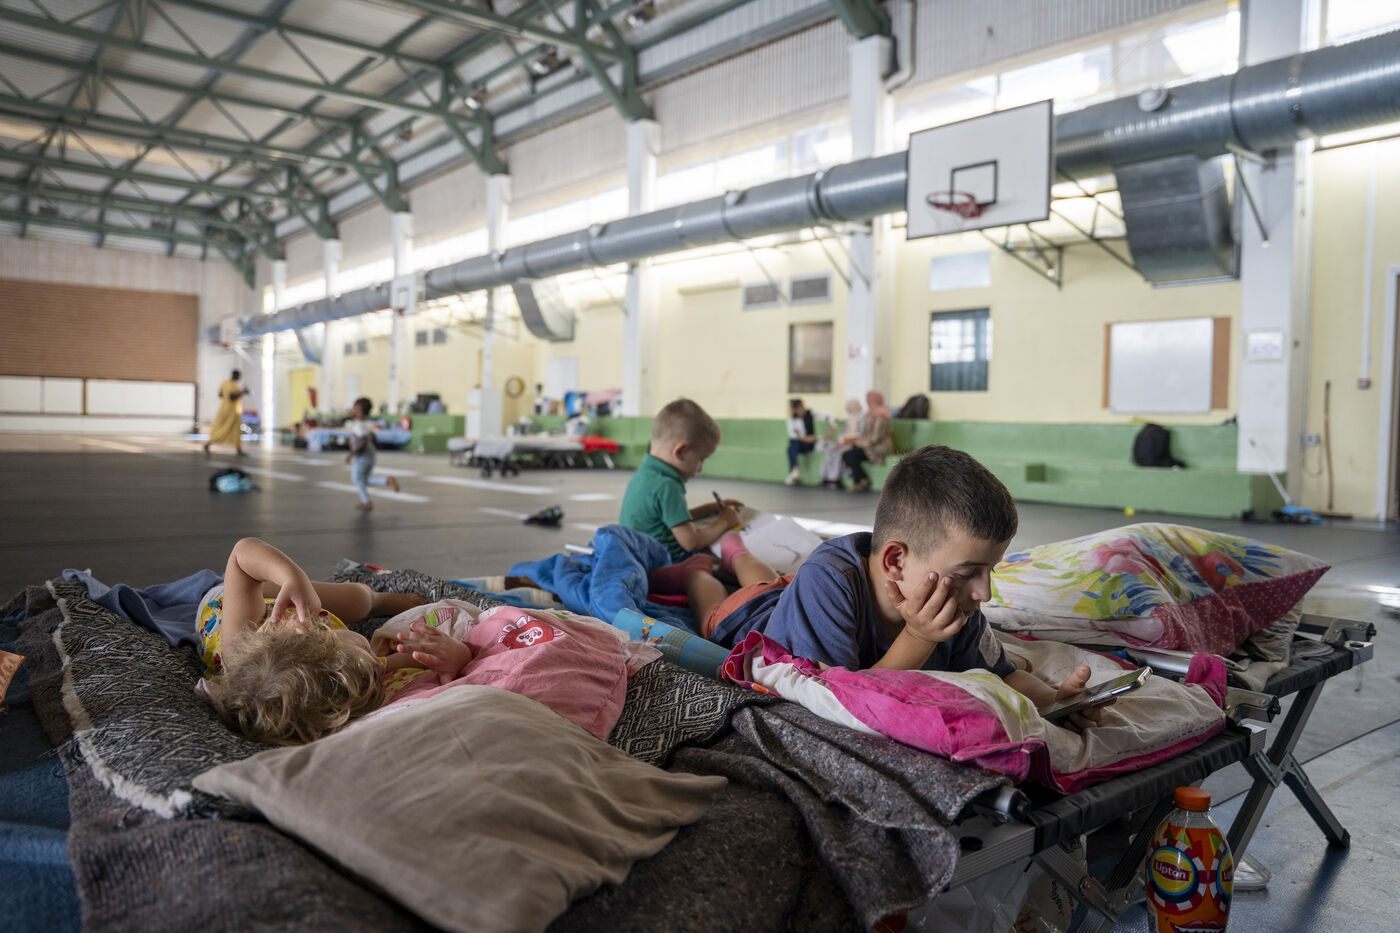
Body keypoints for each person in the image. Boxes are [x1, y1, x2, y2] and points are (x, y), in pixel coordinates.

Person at [704, 445, 1107, 730]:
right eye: (969, 572)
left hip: (796, 593)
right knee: (721, 595)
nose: (984, 593)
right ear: (895, 561)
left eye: (989, 571)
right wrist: (919, 637)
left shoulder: (957, 601)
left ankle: (736, 553)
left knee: (768, 577)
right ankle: (715, 559)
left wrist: (1054, 700)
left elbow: (1004, 676)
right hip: (750, 612)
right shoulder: (829, 580)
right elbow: (842, 702)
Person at [197, 537, 427, 744]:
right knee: (356, 603)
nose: (376, 659)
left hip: (229, 598)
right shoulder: (327, 684)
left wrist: (292, 577)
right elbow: (400, 661)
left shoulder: (239, 644)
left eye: (365, 651)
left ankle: (379, 600)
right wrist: (420, 654)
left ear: (309, 632)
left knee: (359, 599)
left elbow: (241, 554)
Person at [618, 398, 780, 628]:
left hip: (639, 561)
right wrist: (724, 521)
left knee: (708, 550)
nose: (701, 467)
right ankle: (717, 620)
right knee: (701, 560)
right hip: (658, 569)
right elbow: (690, 541)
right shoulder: (667, 485)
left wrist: (712, 508)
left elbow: (672, 518)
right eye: (701, 459)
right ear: (681, 451)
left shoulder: (646, 474)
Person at [346, 396, 400, 511]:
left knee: (356, 479)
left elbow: (364, 441)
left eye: (354, 407)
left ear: (359, 409)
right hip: (371, 455)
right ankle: (386, 480)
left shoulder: (359, 425)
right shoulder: (367, 423)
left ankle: (367, 501)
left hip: (362, 456)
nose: (352, 410)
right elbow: (374, 437)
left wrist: (352, 454)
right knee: (366, 479)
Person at [840, 389, 893, 492]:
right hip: (868, 445)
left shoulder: (882, 415)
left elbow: (877, 436)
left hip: (879, 447)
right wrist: (860, 441)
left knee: (850, 454)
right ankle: (862, 479)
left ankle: (860, 480)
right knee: (849, 453)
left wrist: (863, 443)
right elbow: (864, 432)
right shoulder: (869, 413)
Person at [820, 398, 864, 488]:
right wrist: (839, 443)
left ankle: (835, 479)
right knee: (829, 450)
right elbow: (845, 433)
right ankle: (826, 477)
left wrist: (843, 443)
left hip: (853, 444)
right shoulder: (850, 418)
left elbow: (859, 436)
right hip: (843, 442)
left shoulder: (861, 418)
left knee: (839, 452)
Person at [204, 369, 247, 458]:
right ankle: (238, 450)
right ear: (236, 376)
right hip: (231, 410)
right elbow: (232, 397)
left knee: (224, 428)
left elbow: (220, 395)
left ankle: (209, 444)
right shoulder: (232, 385)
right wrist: (242, 392)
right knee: (231, 429)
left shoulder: (224, 384)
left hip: (223, 408)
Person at [785, 399, 819, 485]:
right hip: (800, 444)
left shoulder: (810, 413)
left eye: (802, 406)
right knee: (792, 444)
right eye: (799, 407)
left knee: (791, 446)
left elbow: (828, 418)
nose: (802, 409)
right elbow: (793, 435)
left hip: (809, 445)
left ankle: (793, 471)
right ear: (795, 409)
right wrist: (807, 439)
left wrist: (830, 434)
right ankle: (795, 471)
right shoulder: (792, 419)